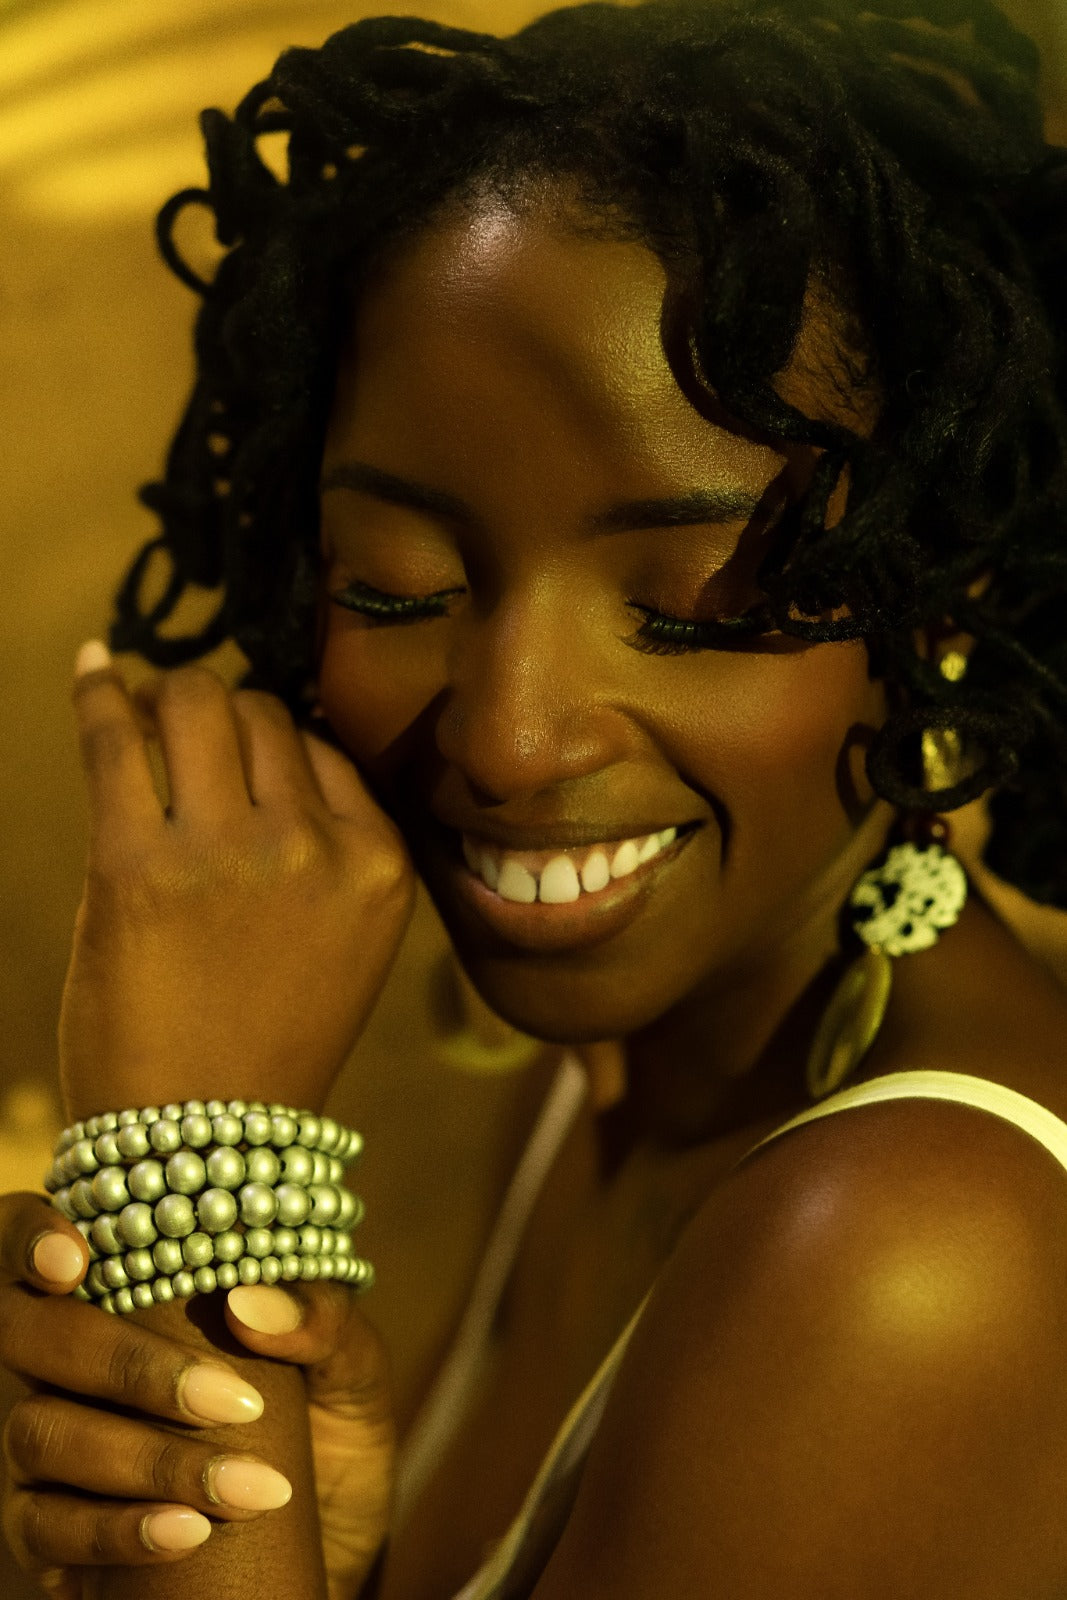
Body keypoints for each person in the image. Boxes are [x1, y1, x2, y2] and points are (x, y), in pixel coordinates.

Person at [2, 0, 1067, 1594]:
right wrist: (326, 1533)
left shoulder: (917, 1250)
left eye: (696, 606)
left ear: (932, 607)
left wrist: (187, 1150)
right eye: (400, 585)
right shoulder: (606, 1074)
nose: (503, 741)